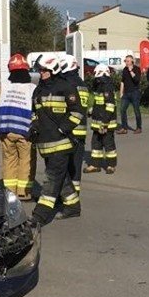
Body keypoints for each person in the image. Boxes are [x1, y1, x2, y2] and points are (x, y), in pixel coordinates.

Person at [30, 52, 84, 225]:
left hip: (60, 143)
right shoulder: (39, 89)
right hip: (45, 144)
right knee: (62, 178)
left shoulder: (65, 86)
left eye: (44, 70)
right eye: (40, 70)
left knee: (52, 179)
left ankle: (40, 215)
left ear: (53, 69)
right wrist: (34, 128)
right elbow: (35, 113)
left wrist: (63, 128)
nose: (41, 73)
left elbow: (77, 112)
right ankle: (73, 207)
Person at [0, 53, 36, 199]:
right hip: (25, 131)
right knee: (26, 160)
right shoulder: (32, 88)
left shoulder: (3, 86)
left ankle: (9, 191)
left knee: (9, 160)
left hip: (5, 130)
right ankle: (23, 192)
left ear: (10, 70)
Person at [60, 53, 89, 196]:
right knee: (76, 165)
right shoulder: (82, 83)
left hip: (69, 129)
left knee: (64, 165)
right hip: (81, 130)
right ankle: (75, 193)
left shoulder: (66, 83)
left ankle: (66, 195)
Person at [84, 63, 118, 174]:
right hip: (97, 123)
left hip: (106, 124)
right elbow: (99, 104)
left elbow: (110, 106)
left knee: (108, 145)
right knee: (96, 144)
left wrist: (104, 123)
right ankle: (95, 165)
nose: (95, 78)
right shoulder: (100, 87)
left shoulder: (107, 86)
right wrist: (91, 111)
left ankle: (111, 165)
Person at [117, 54, 142, 134]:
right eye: (125, 61)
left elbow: (137, 80)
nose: (126, 63)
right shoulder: (124, 69)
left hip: (134, 92)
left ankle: (138, 127)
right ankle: (124, 128)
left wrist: (131, 71)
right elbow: (122, 82)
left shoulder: (136, 69)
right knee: (122, 109)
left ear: (132, 61)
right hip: (126, 94)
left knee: (136, 110)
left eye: (128, 61)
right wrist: (121, 92)